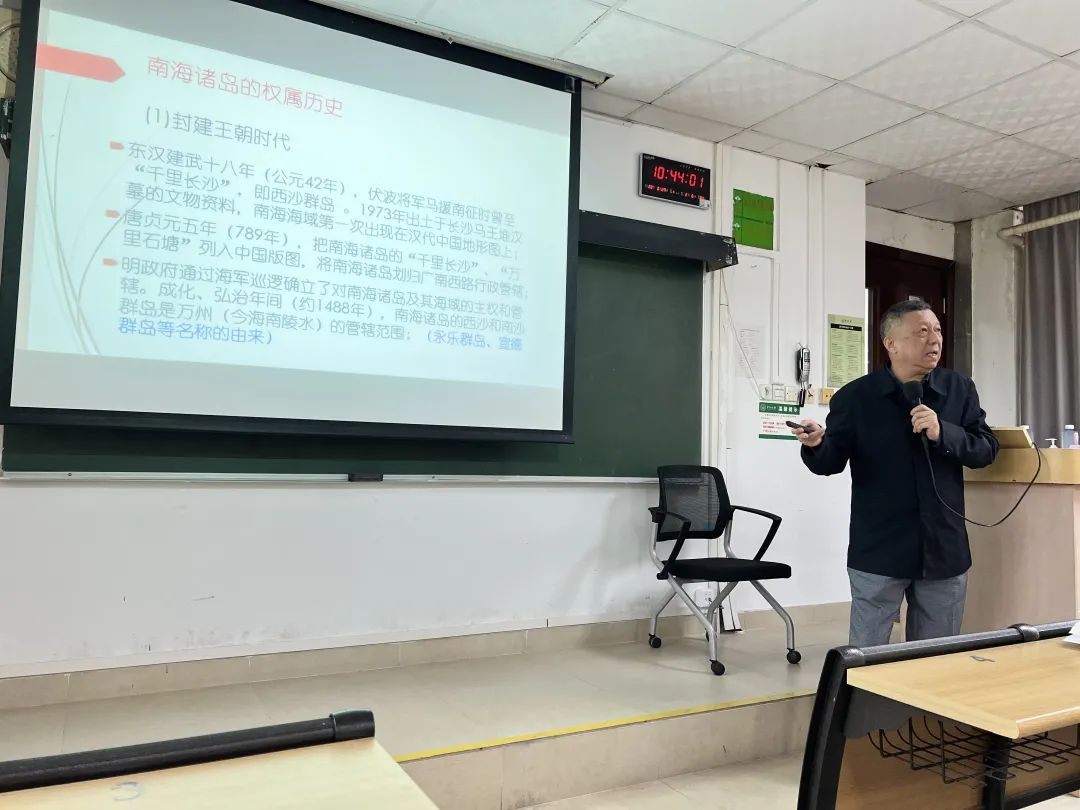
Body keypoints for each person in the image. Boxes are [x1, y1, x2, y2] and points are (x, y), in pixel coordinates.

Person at [793, 299, 999, 648]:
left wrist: (943, 432)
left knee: (935, 657)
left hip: (943, 547)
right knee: (867, 655)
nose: (934, 340)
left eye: (937, 330)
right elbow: (830, 462)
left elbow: (986, 449)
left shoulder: (959, 389)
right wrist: (816, 444)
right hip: (880, 547)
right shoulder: (856, 397)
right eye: (922, 332)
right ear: (891, 343)